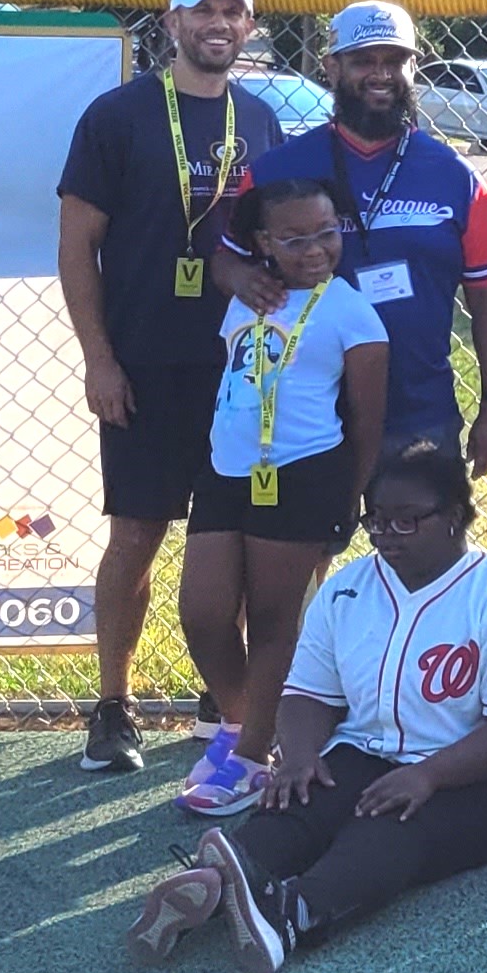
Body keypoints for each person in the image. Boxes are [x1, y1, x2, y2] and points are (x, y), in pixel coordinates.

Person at [123, 444, 487, 973]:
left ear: (456, 517)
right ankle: (216, 883)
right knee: (300, 805)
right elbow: (308, 693)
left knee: (387, 831)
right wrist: (299, 757)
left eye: (407, 521)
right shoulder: (348, 589)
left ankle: (291, 914)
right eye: (376, 521)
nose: (388, 535)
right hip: (367, 750)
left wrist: (429, 775)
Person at [56, 0, 285, 772]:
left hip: (236, 371)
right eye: (203, 11)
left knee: (241, 539)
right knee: (138, 534)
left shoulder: (261, 120)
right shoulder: (117, 115)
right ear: (172, 19)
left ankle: (221, 695)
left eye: (234, 12)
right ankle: (112, 705)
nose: (218, 24)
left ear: (250, 27)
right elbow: (76, 244)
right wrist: (99, 360)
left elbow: (277, 242)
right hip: (145, 364)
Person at [172, 178, 391, 817]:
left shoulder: (351, 309)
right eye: (294, 239)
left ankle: (247, 758)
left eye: (327, 232)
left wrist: (349, 496)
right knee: (202, 614)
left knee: (273, 620)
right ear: (264, 243)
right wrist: (234, 273)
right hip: (225, 470)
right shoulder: (248, 296)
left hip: (302, 474)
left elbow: (367, 420)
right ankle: (246, 725)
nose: (315, 248)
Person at [237, 0, 487, 467]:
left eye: (394, 61)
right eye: (363, 60)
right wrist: (239, 277)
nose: (380, 74)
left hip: (419, 409)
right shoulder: (277, 169)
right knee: (307, 542)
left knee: (422, 538)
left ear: (415, 66)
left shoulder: (453, 173)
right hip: (303, 412)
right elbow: (230, 258)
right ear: (332, 67)